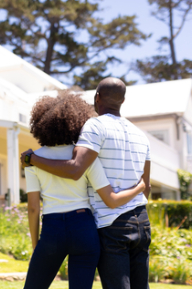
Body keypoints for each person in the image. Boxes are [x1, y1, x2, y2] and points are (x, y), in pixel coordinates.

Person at [21, 77, 151, 289]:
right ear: (123, 100)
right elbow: (143, 186)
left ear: (97, 97)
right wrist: (139, 188)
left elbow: (36, 205)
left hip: (82, 226)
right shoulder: (135, 137)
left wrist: (31, 159)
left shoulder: (38, 158)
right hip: (107, 226)